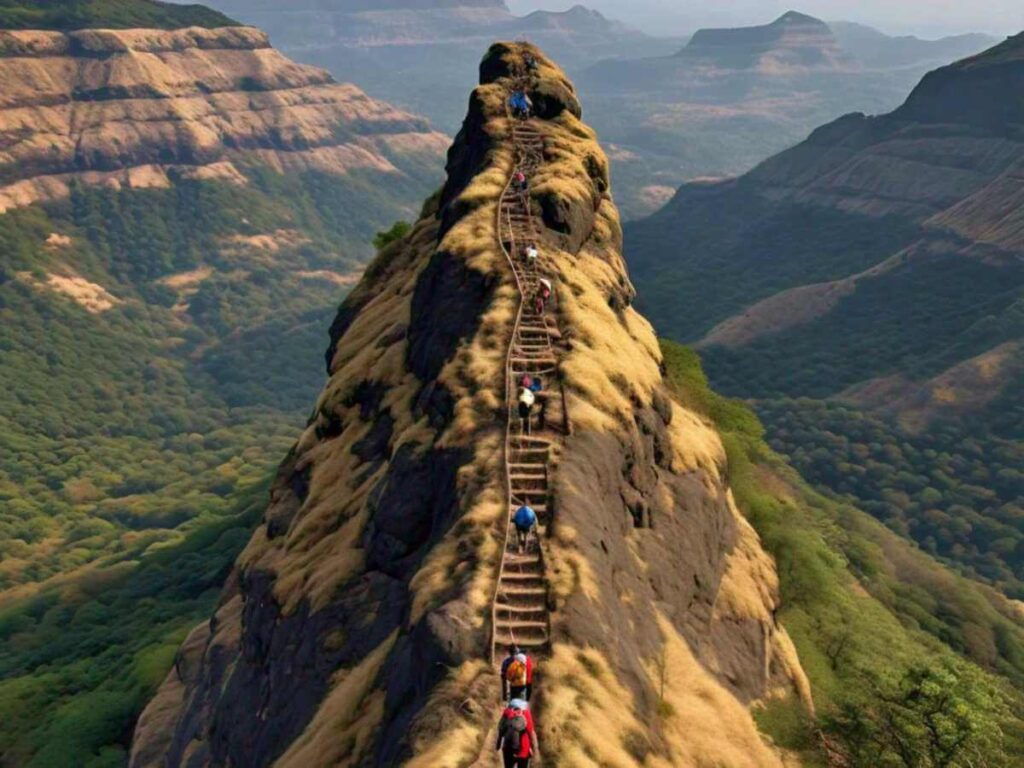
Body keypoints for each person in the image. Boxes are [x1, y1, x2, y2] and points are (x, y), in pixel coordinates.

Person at [496, 698, 538, 768]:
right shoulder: (526, 712)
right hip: (524, 749)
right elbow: (530, 731)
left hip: (508, 748)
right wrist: (534, 749)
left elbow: (501, 728)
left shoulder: (507, 712)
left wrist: (498, 743)